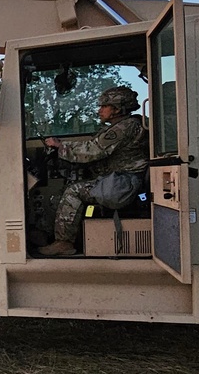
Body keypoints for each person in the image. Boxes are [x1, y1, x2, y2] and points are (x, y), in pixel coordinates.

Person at [37, 85, 148, 256]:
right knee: (67, 188)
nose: (99, 111)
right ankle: (51, 235)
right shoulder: (124, 125)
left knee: (73, 191)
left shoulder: (124, 127)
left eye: (104, 106)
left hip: (124, 184)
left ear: (117, 109)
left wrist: (60, 146)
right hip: (118, 179)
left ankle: (64, 243)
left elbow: (93, 150)